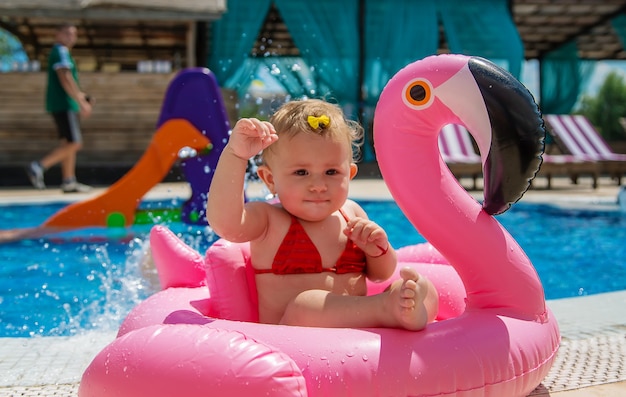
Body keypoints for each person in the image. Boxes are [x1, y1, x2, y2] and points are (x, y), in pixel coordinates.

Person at [207, 99, 438, 330]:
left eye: (331, 172)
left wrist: (378, 250)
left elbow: (381, 274)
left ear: (349, 174)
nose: (318, 184)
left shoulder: (352, 213)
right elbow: (225, 224)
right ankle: (387, 309)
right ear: (270, 180)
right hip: (296, 335)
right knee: (305, 305)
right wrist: (236, 155)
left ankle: (403, 307)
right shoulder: (268, 219)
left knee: (423, 290)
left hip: (357, 334)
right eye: (301, 172)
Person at [26, 22, 93, 193]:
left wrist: (80, 96)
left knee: (67, 143)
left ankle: (69, 181)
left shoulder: (60, 52)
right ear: (58, 35)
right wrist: (80, 100)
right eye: (67, 34)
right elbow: (65, 76)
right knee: (74, 143)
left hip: (61, 103)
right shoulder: (61, 51)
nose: (71, 37)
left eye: (74, 34)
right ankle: (39, 166)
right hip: (65, 104)